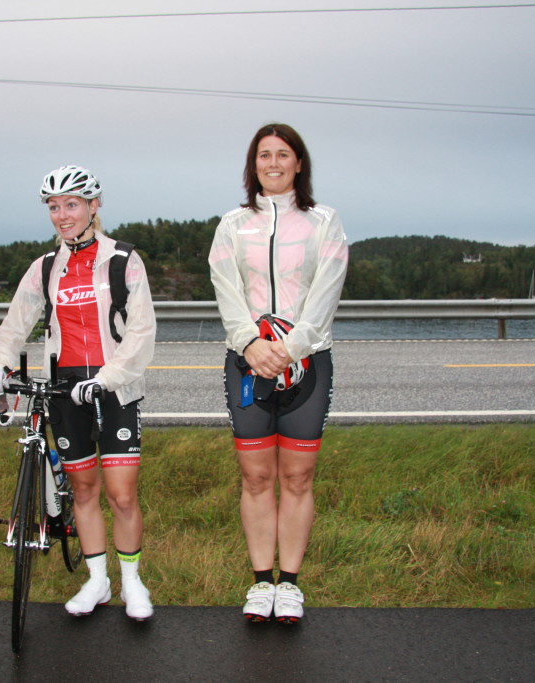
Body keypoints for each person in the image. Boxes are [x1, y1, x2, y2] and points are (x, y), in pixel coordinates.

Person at [0, 165, 157, 621]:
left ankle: (132, 582)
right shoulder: (44, 267)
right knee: (83, 491)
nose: (63, 215)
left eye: (72, 204)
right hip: (63, 391)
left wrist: (107, 378)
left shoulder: (123, 259)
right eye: (55, 207)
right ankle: (97, 581)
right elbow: (15, 324)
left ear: (94, 206)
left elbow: (141, 332)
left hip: (112, 390)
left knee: (121, 494)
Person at [208, 123, 348, 624]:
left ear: (298, 163)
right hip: (246, 362)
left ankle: (289, 585)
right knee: (256, 476)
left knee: (298, 475)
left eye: (282, 154)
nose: (273, 163)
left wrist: (288, 348)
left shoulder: (324, 221)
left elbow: (326, 292)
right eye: (264, 155)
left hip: (307, 362)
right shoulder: (231, 224)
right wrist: (250, 344)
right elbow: (226, 290)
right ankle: (260, 582)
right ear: (254, 165)